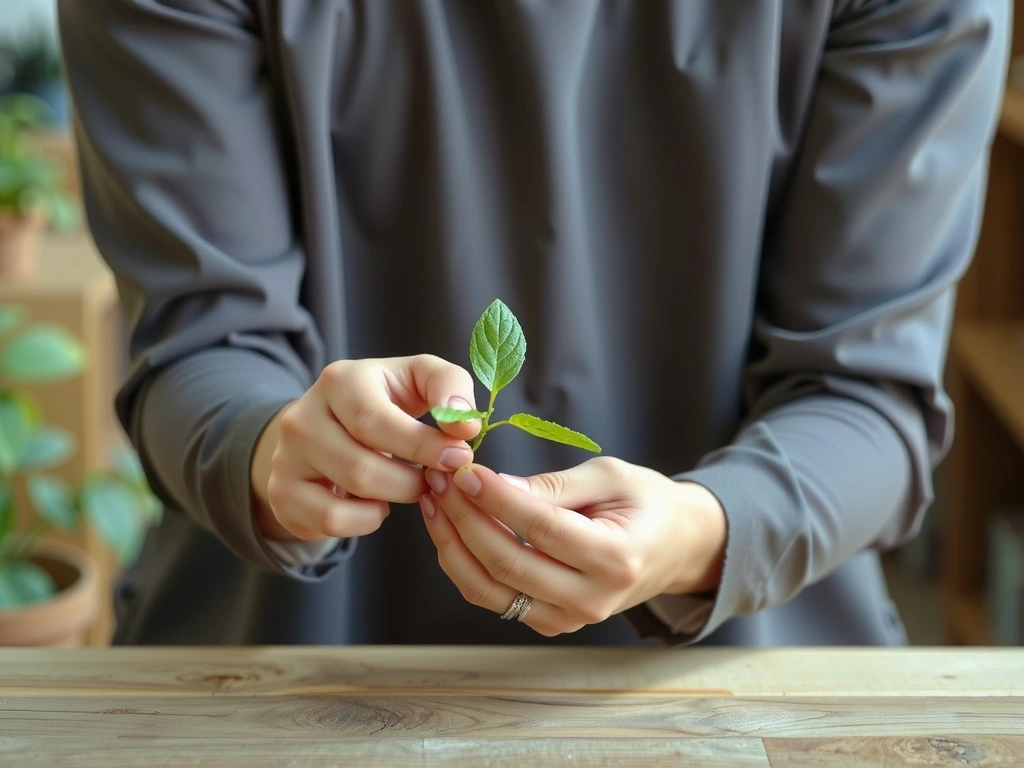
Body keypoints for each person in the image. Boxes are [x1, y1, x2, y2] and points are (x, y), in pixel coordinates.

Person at [57, 0, 1007, 646]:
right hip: (278, 675)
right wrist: (270, 447)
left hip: (750, 682)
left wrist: (701, 535)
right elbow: (196, 342)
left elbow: (865, 387)